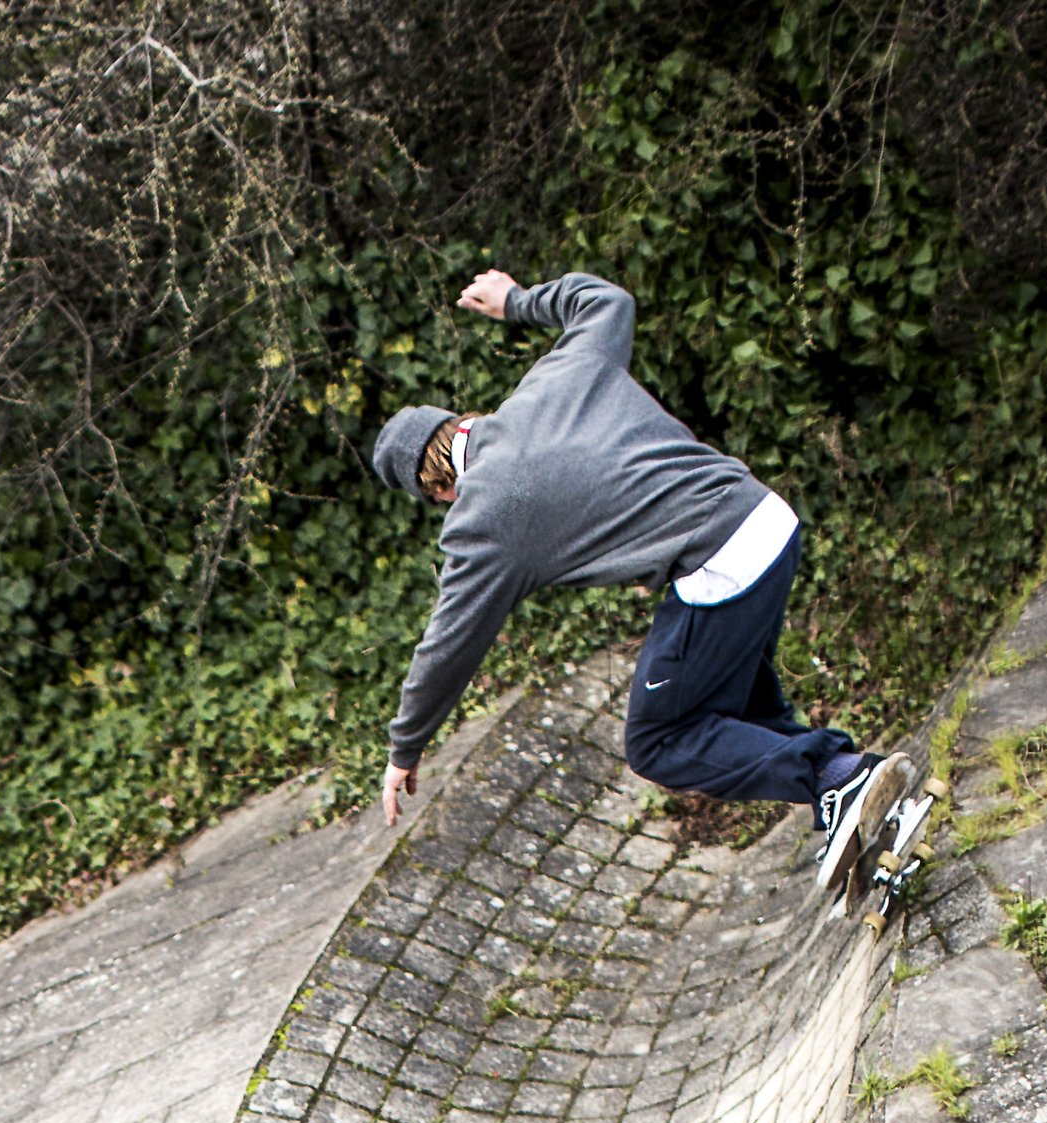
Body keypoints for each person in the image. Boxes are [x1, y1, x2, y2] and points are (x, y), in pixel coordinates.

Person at [371, 267, 907, 898]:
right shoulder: (556, 377)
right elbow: (606, 301)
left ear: (438, 488)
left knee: (659, 741)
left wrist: (405, 746)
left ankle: (838, 783)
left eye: (439, 500)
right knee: (737, 716)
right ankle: (853, 783)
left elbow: (450, 642)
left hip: (720, 562)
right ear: (458, 423)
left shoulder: (482, 514)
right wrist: (516, 302)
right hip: (768, 519)